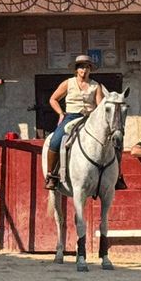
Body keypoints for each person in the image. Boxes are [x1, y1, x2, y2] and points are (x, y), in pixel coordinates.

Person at [43, 55, 104, 190]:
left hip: (90, 118)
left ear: (90, 70)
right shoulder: (68, 83)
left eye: (87, 67)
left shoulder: (96, 86)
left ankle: (115, 176)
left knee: (110, 140)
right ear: (76, 70)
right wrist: (60, 113)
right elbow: (53, 99)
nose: (84, 70)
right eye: (82, 67)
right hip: (71, 117)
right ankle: (51, 175)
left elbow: (100, 107)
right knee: (55, 141)